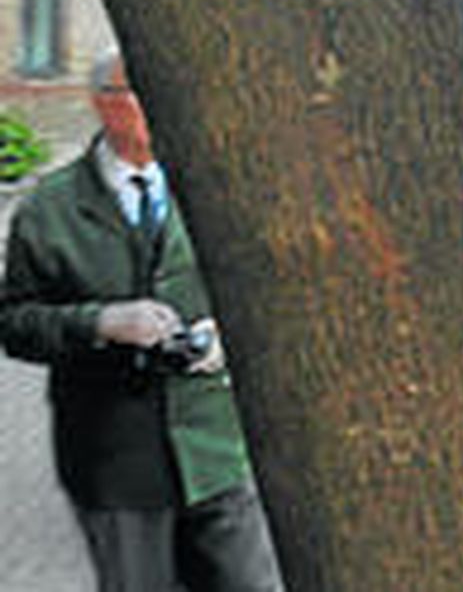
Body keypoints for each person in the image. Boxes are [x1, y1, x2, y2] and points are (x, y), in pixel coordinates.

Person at [0, 51, 282, 592]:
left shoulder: (219, 187)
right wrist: (100, 322)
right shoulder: (50, 208)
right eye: (139, 91)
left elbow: (264, 290)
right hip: (115, 461)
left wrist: (226, 336)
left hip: (216, 451)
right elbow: (14, 322)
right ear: (103, 103)